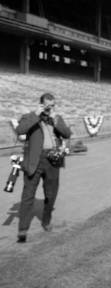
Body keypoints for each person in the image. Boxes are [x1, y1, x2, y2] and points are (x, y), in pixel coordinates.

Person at [15, 93, 71, 243]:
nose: (49, 108)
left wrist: (55, 119)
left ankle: (46, 221)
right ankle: (23, 229)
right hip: (35, 160)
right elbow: (20, 130)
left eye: (52, 106)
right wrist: (36, 114)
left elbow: (67, 134)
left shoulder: (57, 118)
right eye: (47, 105)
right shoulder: (30, 116)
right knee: (28, 195)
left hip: (53, 160)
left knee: (51, 194)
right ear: (41, 104)